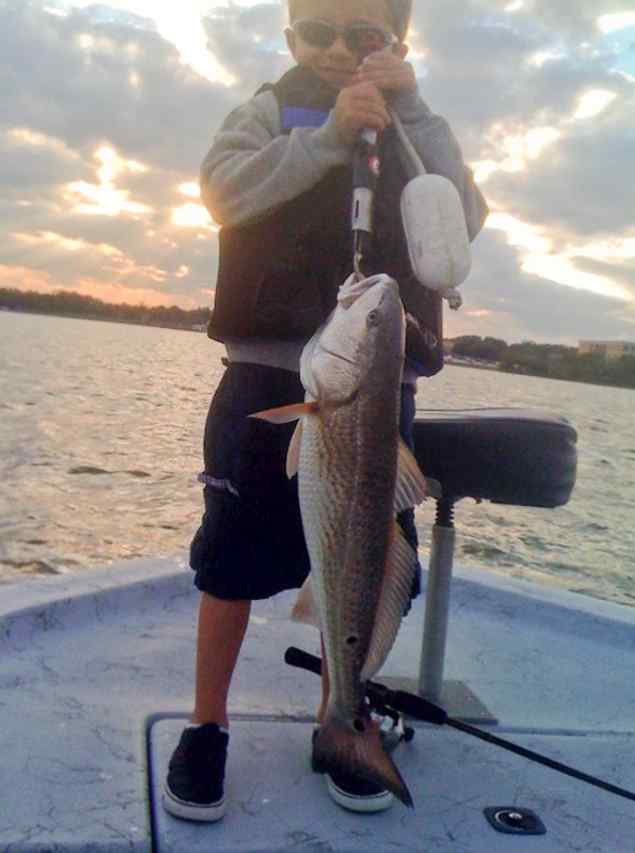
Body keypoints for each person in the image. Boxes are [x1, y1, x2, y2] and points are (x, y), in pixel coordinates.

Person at [162, 0, 488, 822]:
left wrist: (409, 111)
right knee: (229, 559)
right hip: (266, 379)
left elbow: (467, 216)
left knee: (369, 562)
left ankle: (337, 717)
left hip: (377, 390)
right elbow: (221, 188)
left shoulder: (420, 122)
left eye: (364, 34)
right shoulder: (270, 110)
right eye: (321, 33)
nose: (341, 49)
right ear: (291, 39)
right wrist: (328, 137)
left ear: (396, 42)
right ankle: (208, 724)